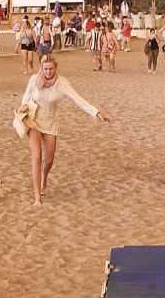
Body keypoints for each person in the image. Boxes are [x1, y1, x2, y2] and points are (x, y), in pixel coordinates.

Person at [19, 51, 111, 206]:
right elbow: (26, 96)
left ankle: (44, 177)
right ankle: (37, 198)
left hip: (51, 123)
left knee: (48, 160)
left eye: (51, 69)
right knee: (36, 157)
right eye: (45, 69)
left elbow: (78, 100)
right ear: (41, 68)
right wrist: (22, 107)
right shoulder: (34, 79)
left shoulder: (62, 83)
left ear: (56, 68)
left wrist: (96, 112)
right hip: (33, 121)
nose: (48, 72)